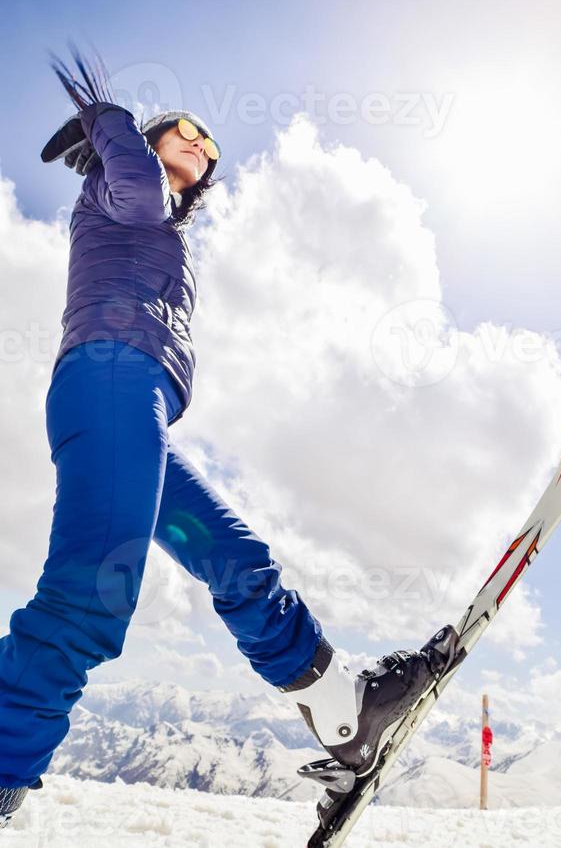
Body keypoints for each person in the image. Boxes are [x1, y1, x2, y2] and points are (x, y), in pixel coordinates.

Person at [0, 46, 457, 828]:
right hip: (109, 378)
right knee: (90, 596)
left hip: (135, 400)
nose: (203, 146)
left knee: (235, 559)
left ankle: (344, 712)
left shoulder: (152, 219)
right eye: (187, 130)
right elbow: (139, 187)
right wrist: (109, 123)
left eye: (210, 148)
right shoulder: (119, 190)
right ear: (144, 139)